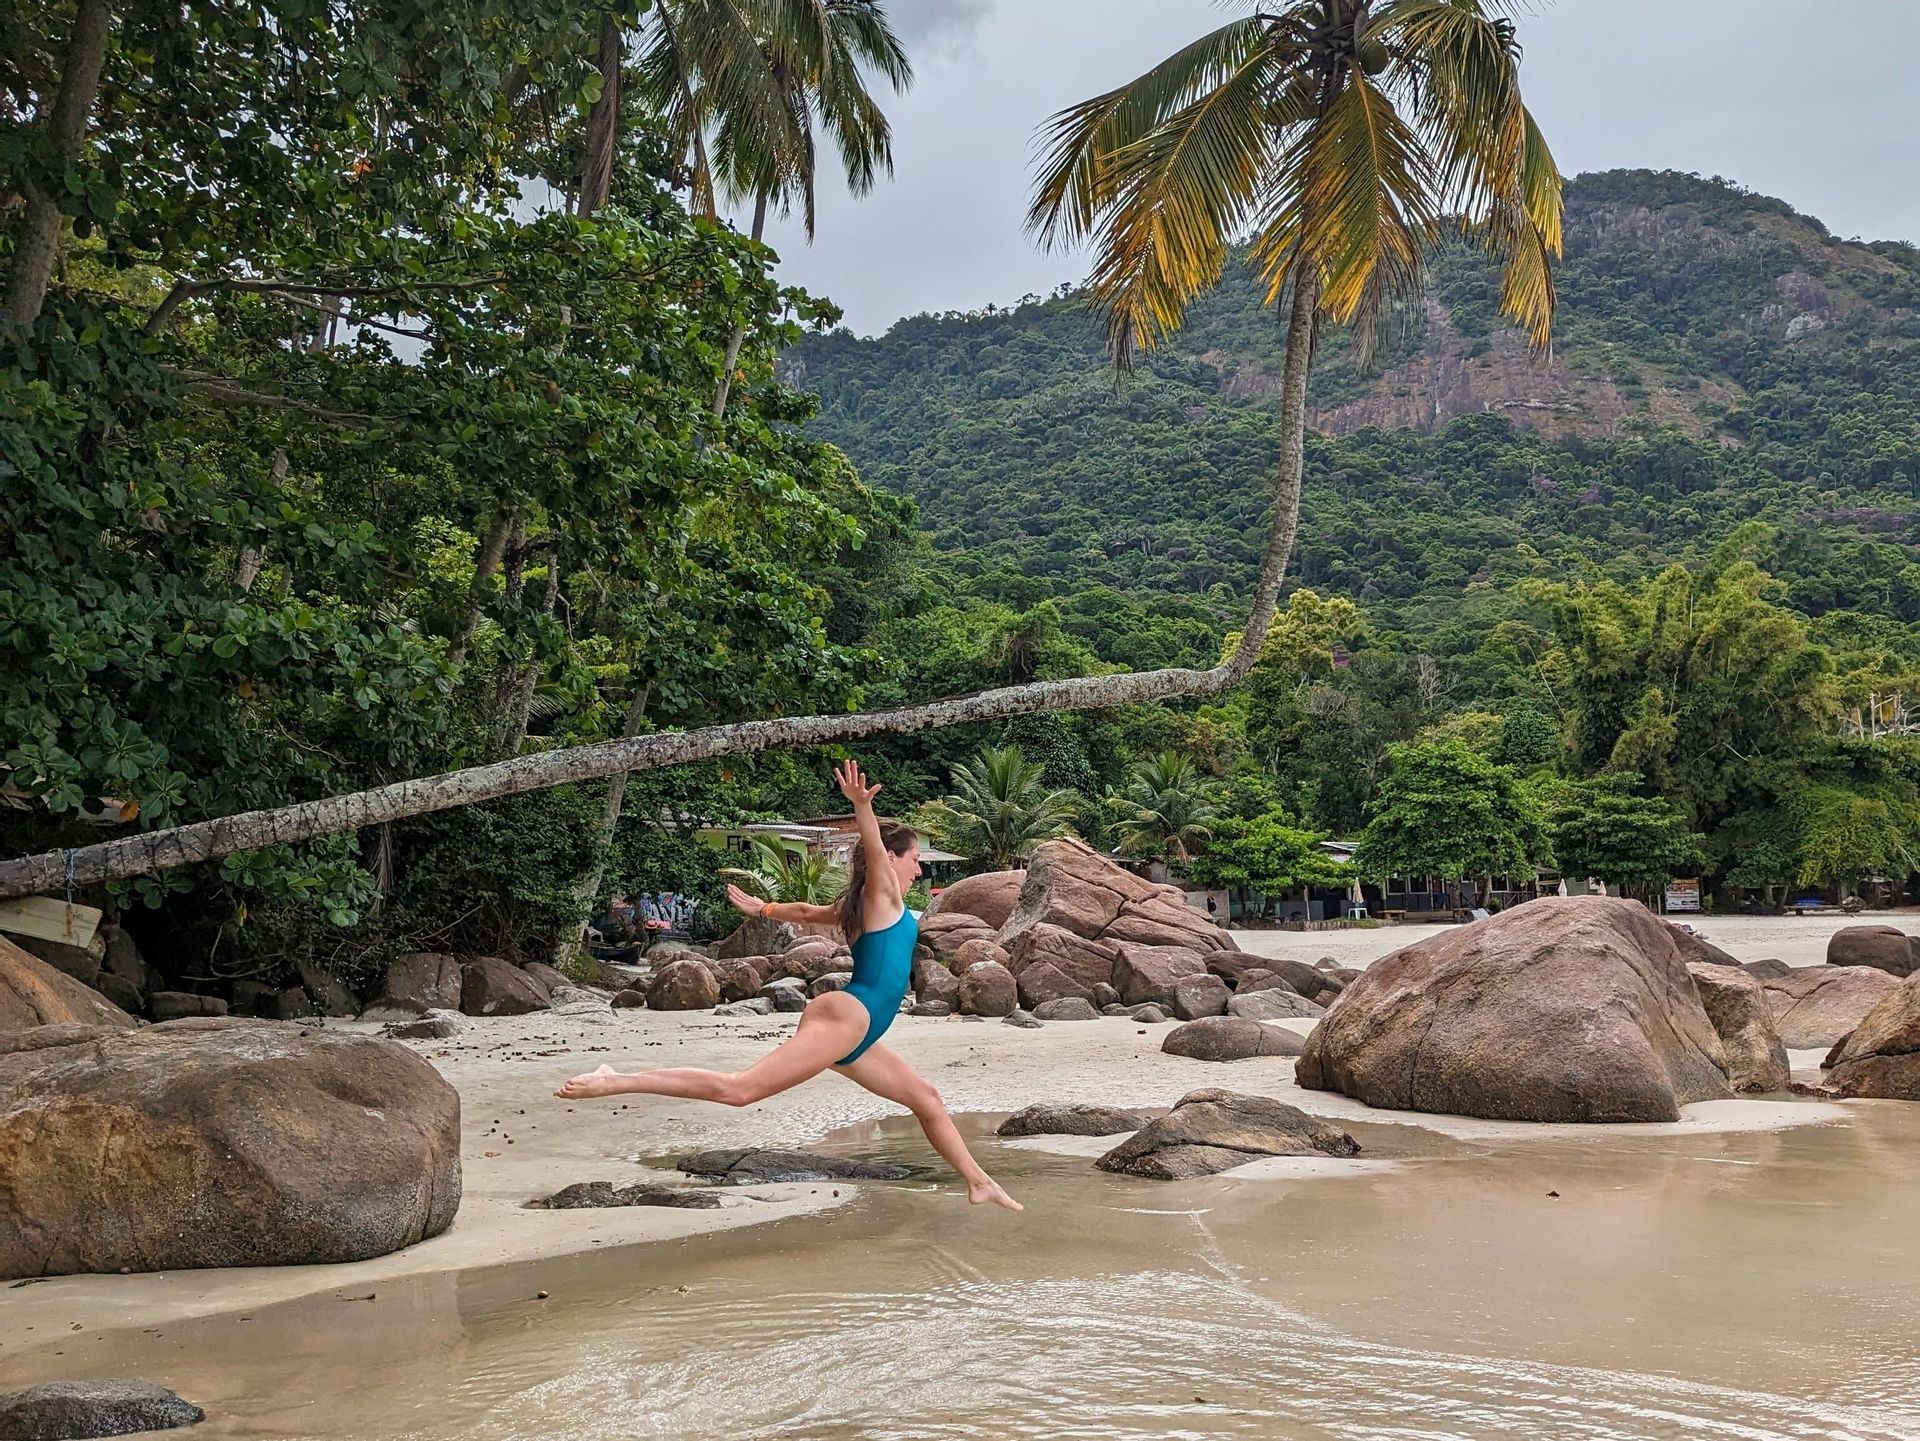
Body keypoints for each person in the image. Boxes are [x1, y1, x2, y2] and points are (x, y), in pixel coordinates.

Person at [556, 758, 1021, 1211]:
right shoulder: (881, 893)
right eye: (915, 859)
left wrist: (763, 909)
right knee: (740, 1091)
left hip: (860, 1031)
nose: (919, 870)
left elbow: (804, 913)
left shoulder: (860, 905)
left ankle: (979, 1183)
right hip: (848, 1016)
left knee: (928, 1099)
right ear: (891, 859)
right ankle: (615, 1080)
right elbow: (875, 851)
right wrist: (862, 808)